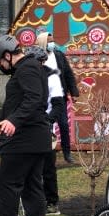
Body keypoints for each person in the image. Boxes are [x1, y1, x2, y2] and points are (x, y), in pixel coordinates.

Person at [0, 35, 51, 216]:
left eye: (0, 62)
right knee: (32, 186)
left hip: (25, 138)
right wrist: (2, 122)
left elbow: (34, 98)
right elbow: (20, 101)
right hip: (34, 138)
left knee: (8, 183)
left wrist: (14, 121)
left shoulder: (28, 68)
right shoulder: (28, 68)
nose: (1, 66)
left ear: (7, 55)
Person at [32, 37, 67, 215]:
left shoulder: (52, 76)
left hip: (46, 127)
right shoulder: (26, 75)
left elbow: (59, 104)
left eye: (41, 62)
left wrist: (47, 120)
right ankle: (34, 201)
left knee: (48, 167)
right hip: (28, 128)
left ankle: (52, 202)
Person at [43, 32, 80, 163]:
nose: (52, 44)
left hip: (60, 97)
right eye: (49, 42)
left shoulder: (59, 55)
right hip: (44, 99)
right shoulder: (38, 57)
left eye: (53, 41)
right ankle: (48, 153)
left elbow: (68, 74)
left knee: (64, 125)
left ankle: (67, 153)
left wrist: (74, 92)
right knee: (47, 126)